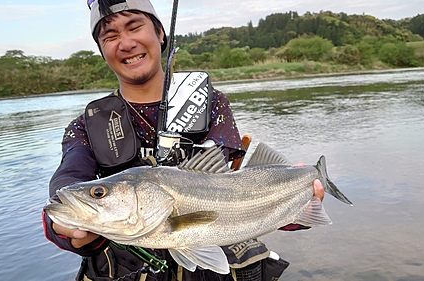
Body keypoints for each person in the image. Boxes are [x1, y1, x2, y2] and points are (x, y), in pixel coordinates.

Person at [42, 0, 325, 280]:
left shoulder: (210, 104)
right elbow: (68, 180)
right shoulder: (85, 126)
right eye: (110, 36)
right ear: (101, 50)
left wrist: (296, 204)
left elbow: (236, 188)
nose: (126, 43)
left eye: (134, 27)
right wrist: (66, 230)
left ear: (160, 33)